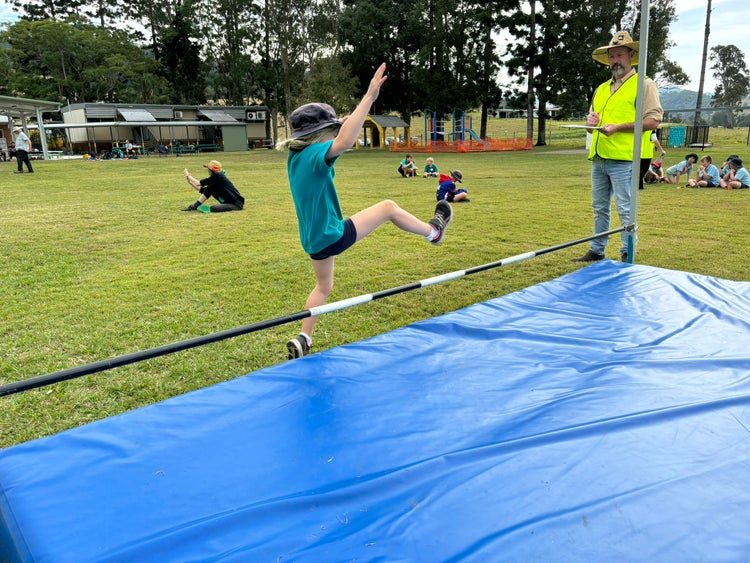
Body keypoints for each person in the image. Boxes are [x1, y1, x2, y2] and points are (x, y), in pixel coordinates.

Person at [277, 63, 453, 359]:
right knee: (388, 208)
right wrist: (370, 96)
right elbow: (344, 141)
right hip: (332, 235)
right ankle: (434, 232)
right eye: (331, 131)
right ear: (322, 134)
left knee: (324, 287)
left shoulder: (296, 157)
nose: (335, 136)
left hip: (312, 241)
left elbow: (338, 135)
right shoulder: (319, 155)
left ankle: (304, 338)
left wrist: (342, 120)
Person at [573, 31, 663, 263]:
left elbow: (653, 121)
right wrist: (590, 125)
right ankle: (597, 249)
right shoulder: (601, 88)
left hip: (626, 159)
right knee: (599, 207)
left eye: (620, 55)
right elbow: (592, 124)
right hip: (600, 157)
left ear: (631, 56)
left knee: (625, 208)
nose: (615, 60)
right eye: (612, 56)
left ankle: (627, 252)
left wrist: (618, 127)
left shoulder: (644, 84)